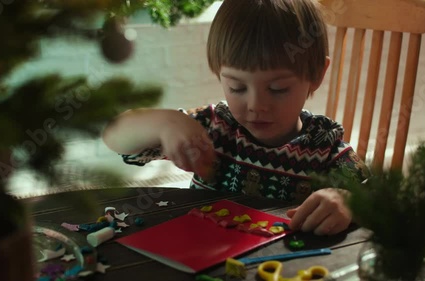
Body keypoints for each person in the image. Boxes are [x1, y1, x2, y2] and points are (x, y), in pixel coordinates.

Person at [102, 0, 369, 236]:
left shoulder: (325, 147)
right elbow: (114, 136)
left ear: (317, 74)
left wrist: (348, 203)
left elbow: (381, 203)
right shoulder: (212, 126)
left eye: (278, 89)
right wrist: (164, 122)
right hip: (202, 254)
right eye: (237, 87)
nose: (256, 105)